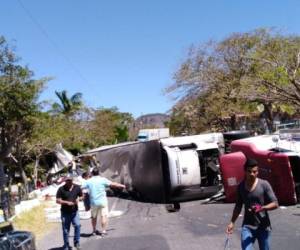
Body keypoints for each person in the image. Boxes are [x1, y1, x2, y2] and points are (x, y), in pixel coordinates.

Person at [226, 158, 278, 250]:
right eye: (249, 171)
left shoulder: (264, 184)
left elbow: (275, 203)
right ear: (245, 171)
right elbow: (238, 206)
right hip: (248, 226)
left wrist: (262, 208)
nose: (252, 174)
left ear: (258, 172)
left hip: (264, 226)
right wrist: (232, 222)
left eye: (254, 171)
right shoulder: (241, 187)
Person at [81, 167, 125, 236]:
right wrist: (122, 185)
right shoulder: (103, 180)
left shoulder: (89, 181)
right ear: (98, 173)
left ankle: (94, 231)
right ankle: (103, 231)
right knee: (103, 216)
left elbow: (81, 187)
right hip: (102, 201)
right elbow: (113, 184)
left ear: (92, 173)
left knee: (93, 217)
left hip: (93, 202)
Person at [56, 174, 83, 250]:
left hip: (75, 212)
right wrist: (66, 202)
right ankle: (66, 245)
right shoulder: (61, 189)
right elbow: (57, 200)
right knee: (65, 230)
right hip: (65, 212)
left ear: (72, 180)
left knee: (77, 225)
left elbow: (82, 196)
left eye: (70, 180)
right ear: (65, 181)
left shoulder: (77, 187)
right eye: (67, 180)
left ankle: (76, 242)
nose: (69, 182)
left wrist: (79, 199)